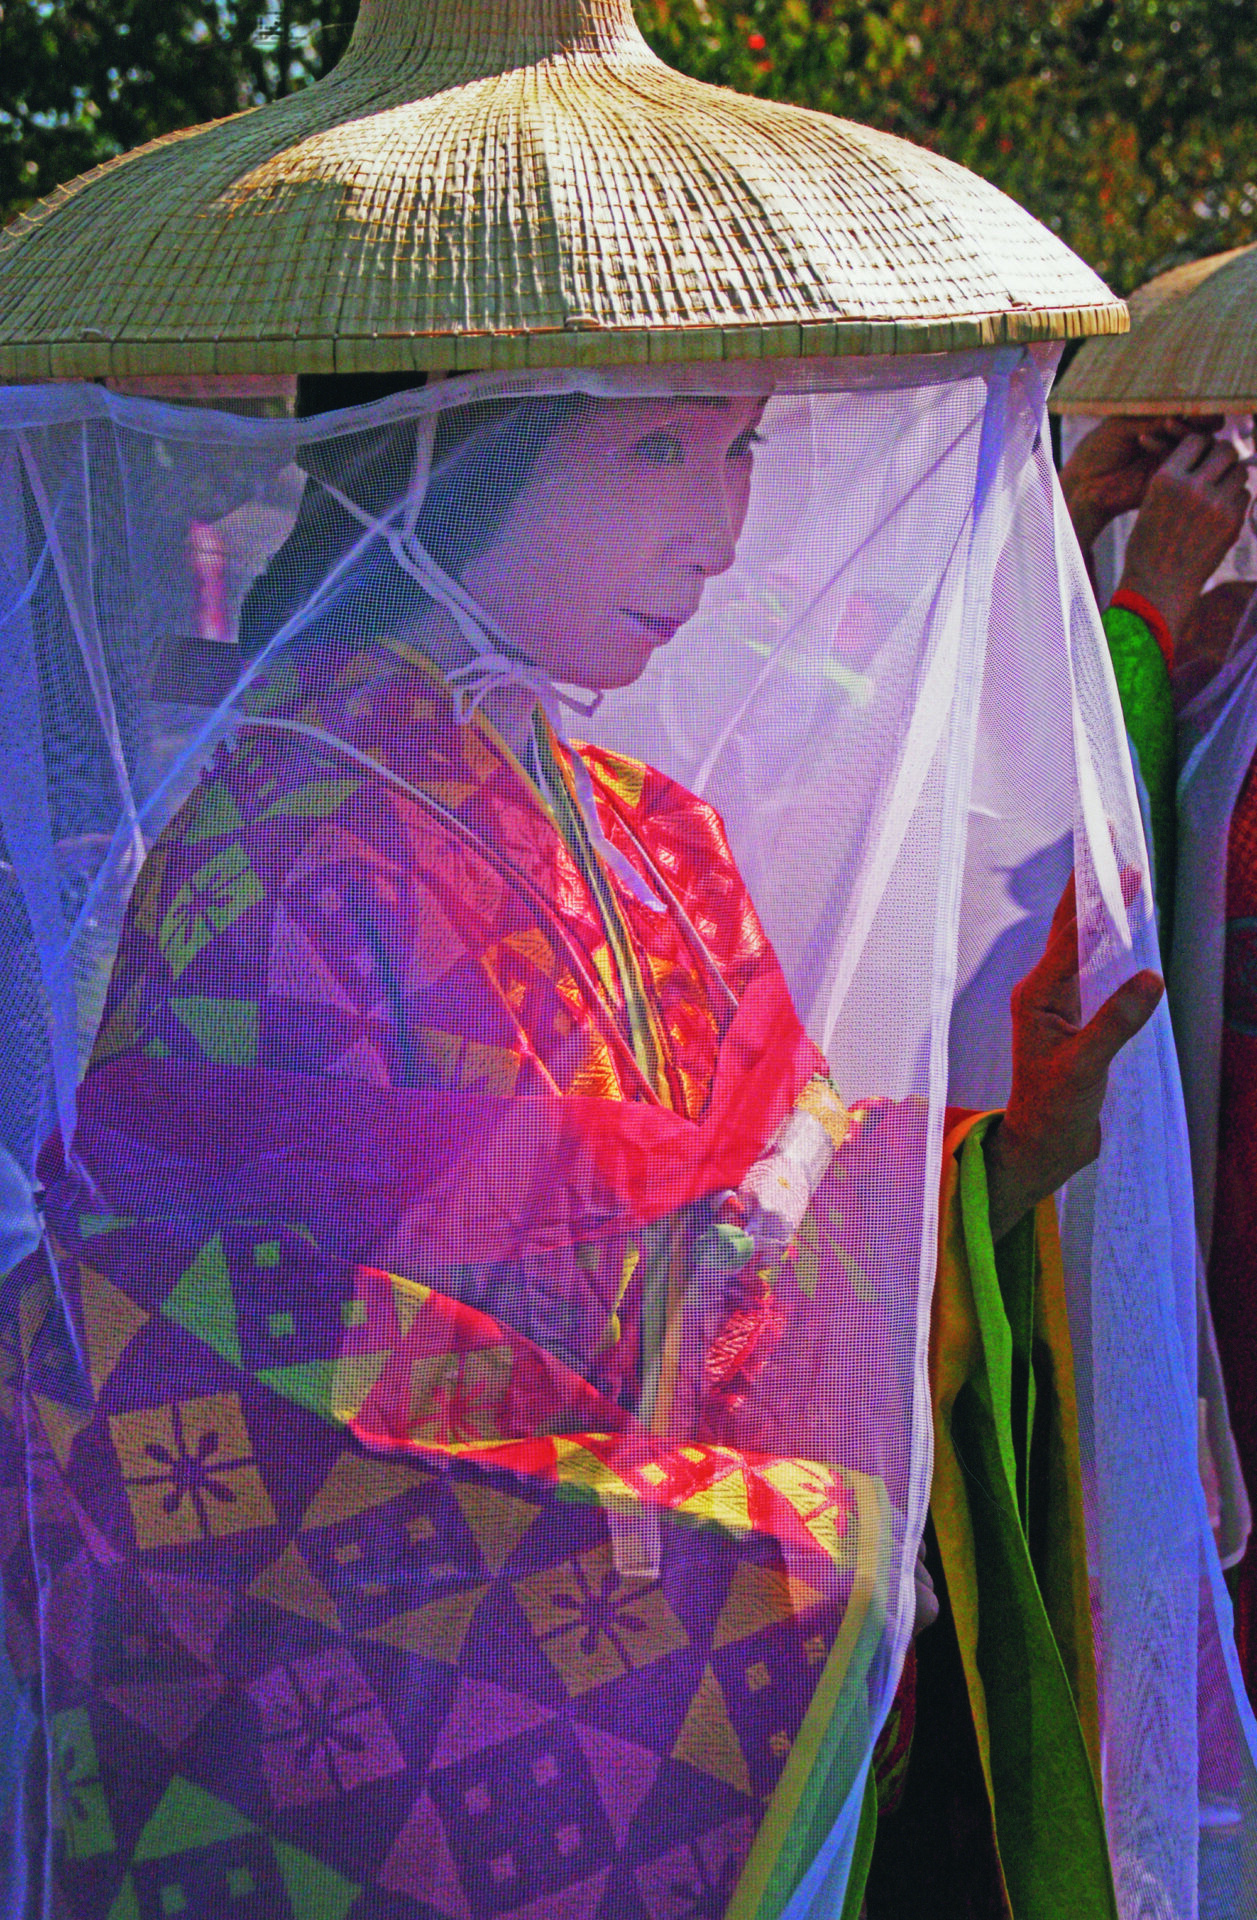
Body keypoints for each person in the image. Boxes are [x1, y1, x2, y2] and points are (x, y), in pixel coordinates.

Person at [3, 389, 1159, 1920]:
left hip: (626, 1547)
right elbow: (201, 1363)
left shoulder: (652, 835)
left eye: (740, 447)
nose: (721, 531)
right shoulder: (280, 850)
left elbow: (752, 1231)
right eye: (654, 450)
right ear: (447, 461)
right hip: (378, 1707)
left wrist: (991, 1168)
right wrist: (756, 1558)